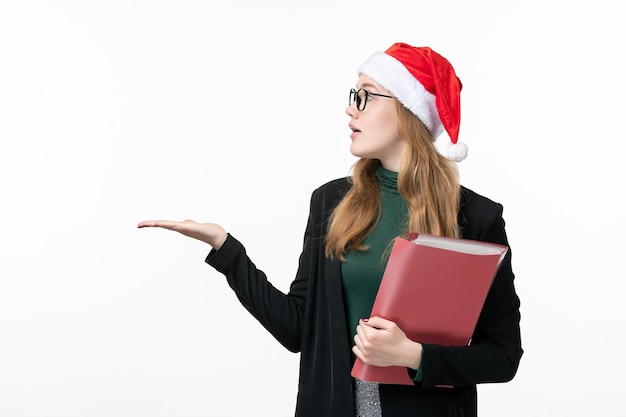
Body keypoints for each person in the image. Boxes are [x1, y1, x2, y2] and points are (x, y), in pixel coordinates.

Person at [138, 42, 523, 417]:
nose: (349, 109)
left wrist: (413, 355)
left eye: (366, 96)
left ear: (409, 112)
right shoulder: (331, 203)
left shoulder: (476, 217)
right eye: (354, 94)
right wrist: (225, 249)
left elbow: (503, 356)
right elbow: (297, 329)